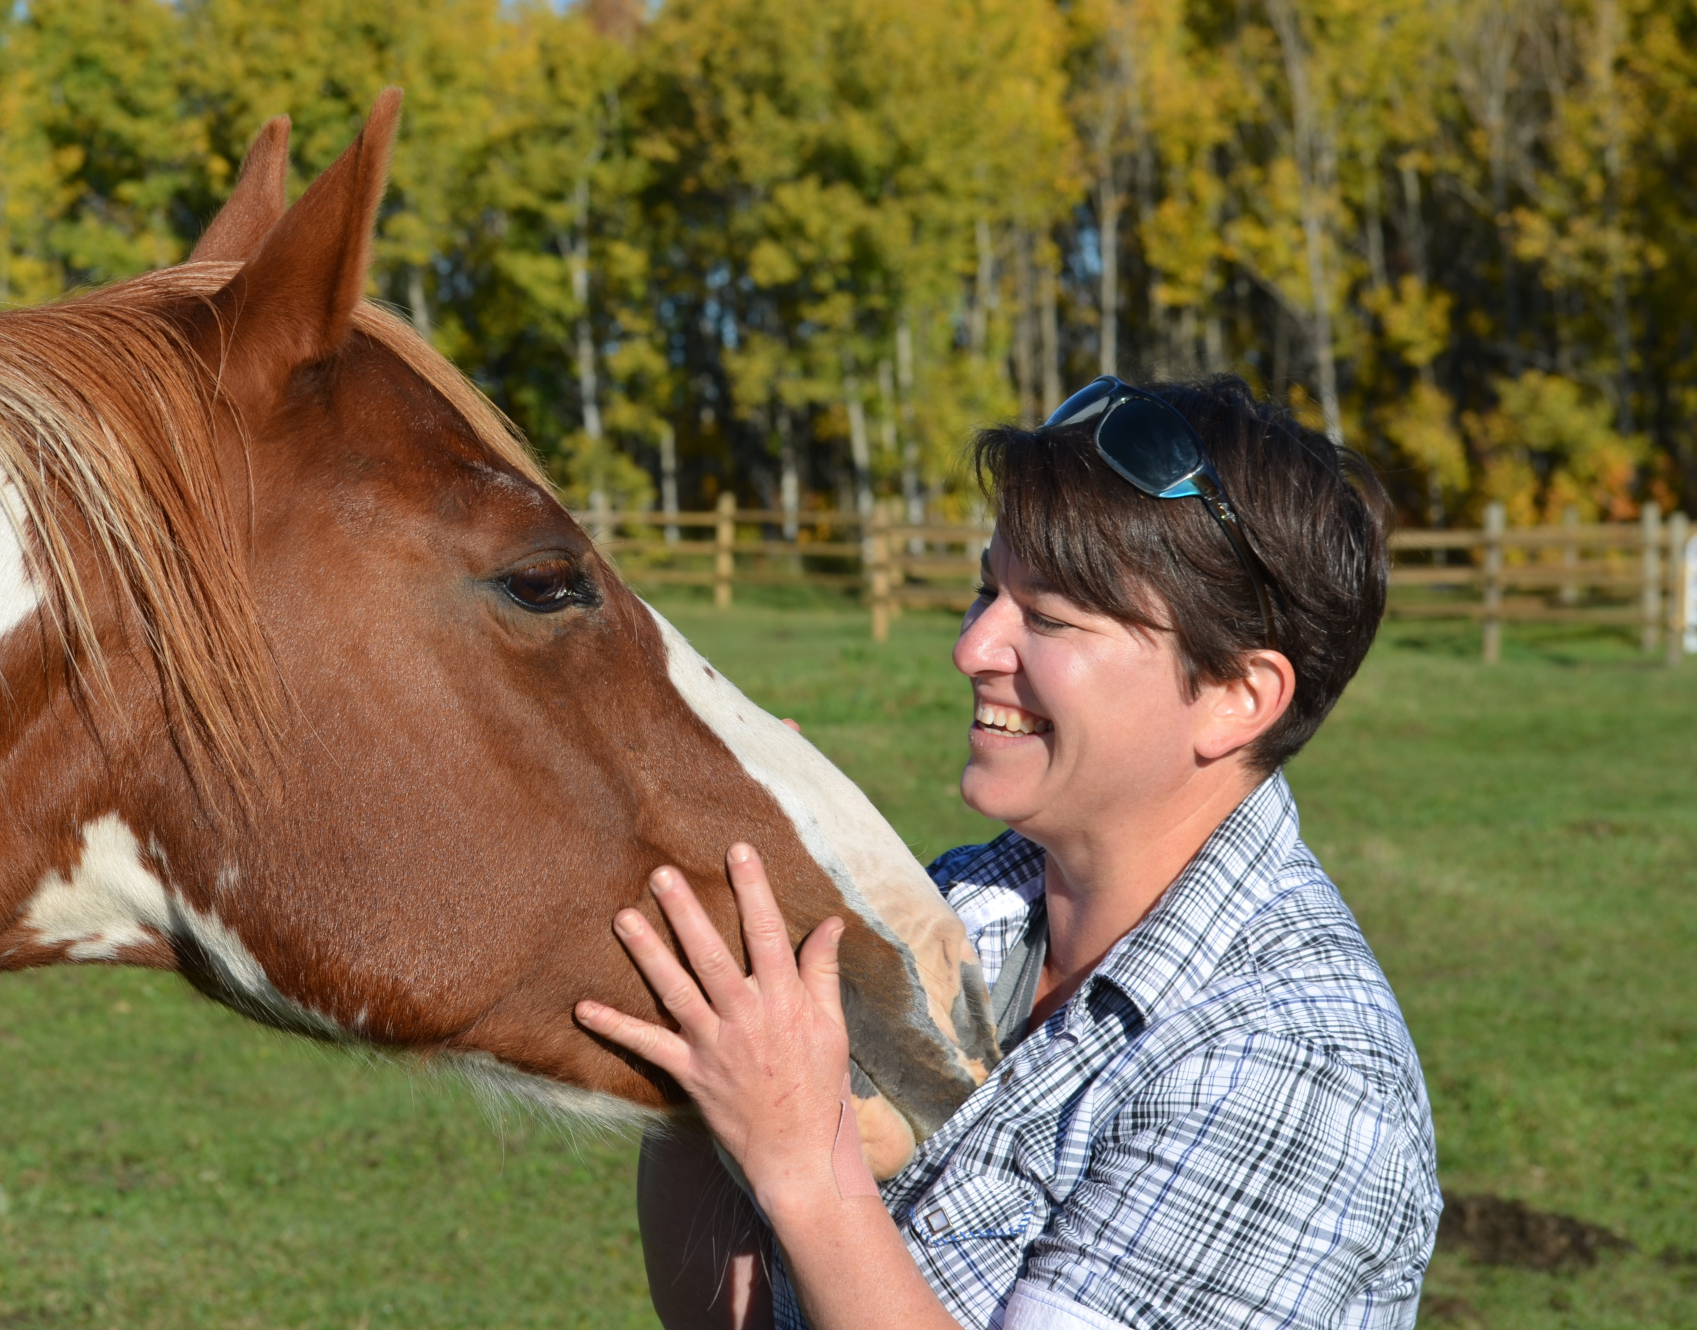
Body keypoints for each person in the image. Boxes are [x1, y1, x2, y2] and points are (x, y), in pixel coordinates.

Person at [576, 375, 1441, 1330]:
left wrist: (803, 1168)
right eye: (990, 589)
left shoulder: (1289, 1077)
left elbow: (807, 1190)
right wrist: (709, 1044)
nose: (974, 646)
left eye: (1051, 617)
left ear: (1239, 695)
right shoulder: (960, 906)